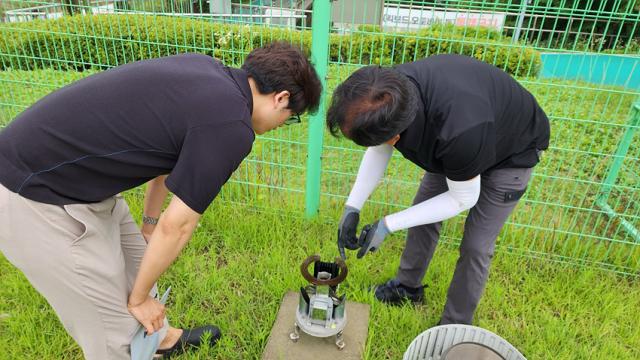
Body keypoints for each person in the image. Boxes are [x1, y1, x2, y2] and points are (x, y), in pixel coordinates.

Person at [0, 42, 321, 359]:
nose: (282, 126)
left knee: (137, 261)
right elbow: (178, 225)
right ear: (281, 99)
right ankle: (129, 344)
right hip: (32, 191)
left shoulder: (206, 70)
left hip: (76, 177)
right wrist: (139, 298)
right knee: (112, 333)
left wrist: (148, 224)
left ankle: (160, 338)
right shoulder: (231, 126)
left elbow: (166, 160)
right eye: (291, 117)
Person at [328, 54, 549, 325]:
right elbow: (380, 145)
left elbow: (463, 198)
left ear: (395, 135)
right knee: (423, 215)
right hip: (464, 137)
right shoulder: (388, 92)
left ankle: (454, 326)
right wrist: (353, 207)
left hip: (511, 152)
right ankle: (406, 288)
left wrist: (387, 224)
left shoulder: (457, 132)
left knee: (476, 246)